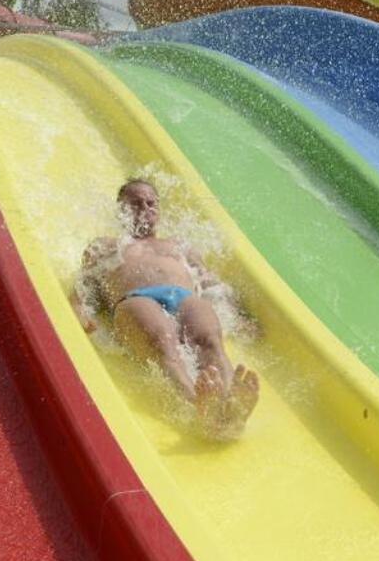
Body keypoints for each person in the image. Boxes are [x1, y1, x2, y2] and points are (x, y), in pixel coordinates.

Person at [72, 179, 259, 438]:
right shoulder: (104, 246)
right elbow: (82, 284)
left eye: (151, 203)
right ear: (121, 210)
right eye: (135, 203)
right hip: (136, 298)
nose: (145, 208)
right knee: (163, 341)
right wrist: (79, 310)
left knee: (210, 341)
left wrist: (238, 314)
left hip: (184, 297)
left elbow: (211, 282)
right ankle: (198, 404)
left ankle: (230, 407)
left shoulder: (179, 245)